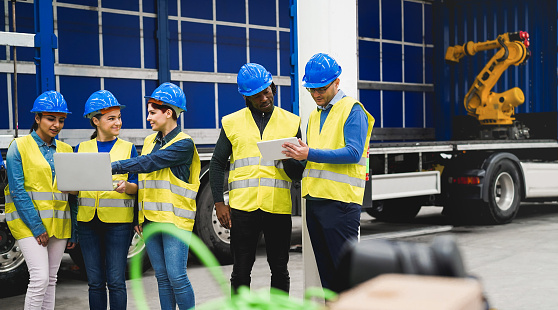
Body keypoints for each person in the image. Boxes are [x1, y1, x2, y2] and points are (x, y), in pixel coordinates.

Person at [282, 53, 375, 290]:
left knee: (346, 278)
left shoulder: (353, 110)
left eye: (321, 88)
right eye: (311, 89)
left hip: (341, 206)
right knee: (328, 280)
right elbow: (312, 158)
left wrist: (309, 153)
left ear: (337, 82)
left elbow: (353, 153)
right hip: (315, 203)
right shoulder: (314, 115)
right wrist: (291, 158)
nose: (315, 94)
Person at [209, 63, 302, 294]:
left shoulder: (291, 122)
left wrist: (290, 158)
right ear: (246, 97)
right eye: (256, 95)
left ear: (273, 87)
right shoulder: (231, 123)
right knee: (241, 270)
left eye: (267, 91)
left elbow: (297, 173)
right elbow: (217, 164)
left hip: (277, 207)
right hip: (243, 209)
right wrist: (219, 203)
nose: (264, 98)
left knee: (280, 269)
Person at [111, 82, 199, 310]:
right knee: (161, 277)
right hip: (151, 219)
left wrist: (113, 166)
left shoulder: (184, 144)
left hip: (174, 221)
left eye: (152, 112)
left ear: (168, 112)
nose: (148, 118)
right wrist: (139, 217)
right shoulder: (150, 140)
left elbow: (148, 163)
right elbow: (144, 182)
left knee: (177, 277)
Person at [4, 90, 77, 310]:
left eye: (61, 120)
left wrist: (73, 228)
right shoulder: (19, 147)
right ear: (37, 118)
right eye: (50, 118)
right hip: (28, 224)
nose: (56, 125)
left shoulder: (66, 150)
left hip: (59, 224)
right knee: (40, 279)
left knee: (51, 280)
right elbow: (17, 190)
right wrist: (36, 227)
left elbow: (72, 194)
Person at [75, 90, 138, 310]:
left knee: (116, 281)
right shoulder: (81, 149)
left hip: (119, 224)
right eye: (111, 118)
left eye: (119, 117)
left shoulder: (128, 148)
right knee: (94, 282)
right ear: (95, 121)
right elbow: (74, 191)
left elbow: (136, 184)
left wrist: (127, 187)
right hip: (87, 223)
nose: (118, 122)